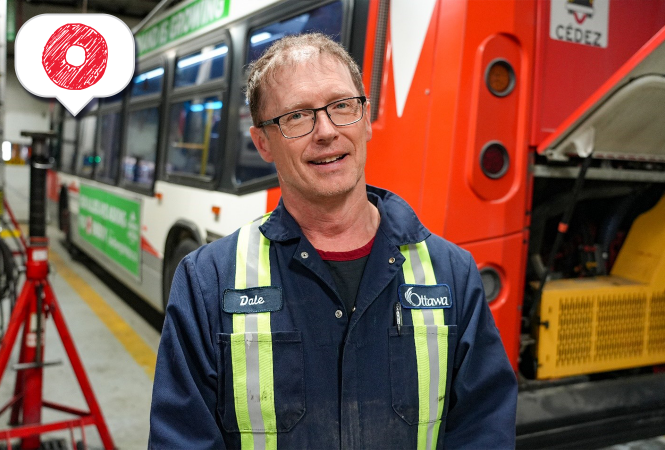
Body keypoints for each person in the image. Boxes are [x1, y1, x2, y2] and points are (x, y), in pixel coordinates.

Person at [149, 33, 517, 449]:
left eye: (341, 106)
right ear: (263, 143)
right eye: (297, 116)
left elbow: (483, 430)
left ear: (365, 119)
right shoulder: (208, 282)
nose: (325, 131)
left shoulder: (452, 274)